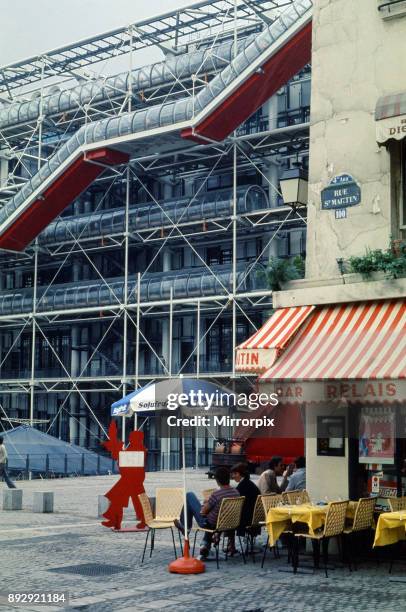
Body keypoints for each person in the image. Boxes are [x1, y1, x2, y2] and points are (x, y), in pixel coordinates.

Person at [174, 466, 239, 560]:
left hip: (209, 523)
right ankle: (204, 546)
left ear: (217, 480)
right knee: (196, 504)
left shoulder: (217, 494)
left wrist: (206, 504)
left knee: (189, 495)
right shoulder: (236, 492)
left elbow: (203, 512)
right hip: (227, 523)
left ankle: (185, 527)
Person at [230, 462, 260, 534]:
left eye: (234, 474)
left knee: (228, 517)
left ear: (239, 474)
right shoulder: (249, 483)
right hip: (255, 517)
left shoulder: (242, 486)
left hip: (246, 519)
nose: (232, 476)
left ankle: (230, 542)